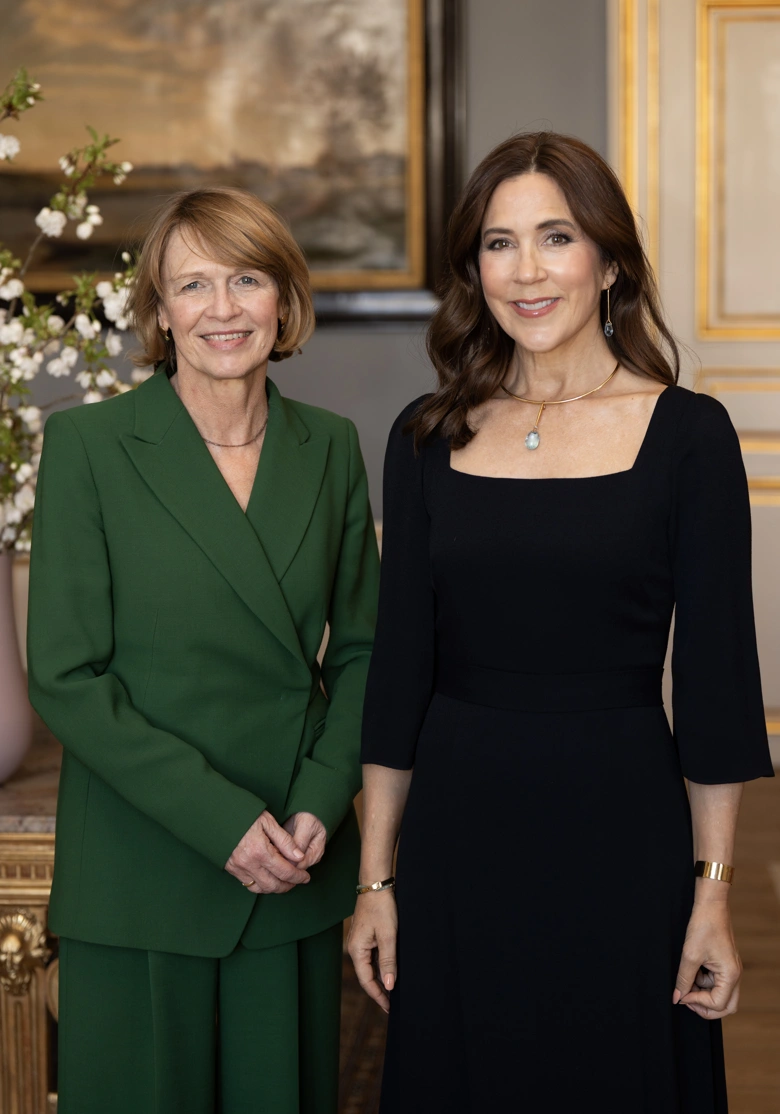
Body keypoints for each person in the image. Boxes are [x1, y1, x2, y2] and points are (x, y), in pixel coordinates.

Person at [349, 133, 773, 1113]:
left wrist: (712, 892)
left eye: (556, 237)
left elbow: (716, 687)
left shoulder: (689, 435)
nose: (527, 271)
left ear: (609, 261)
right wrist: (375, 882)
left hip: (623, 830)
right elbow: (399, 671)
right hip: (458, 838)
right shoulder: (425, 435)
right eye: (499, 243)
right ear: (474, 269)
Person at [27, 186, 380, 1114]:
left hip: (291, 862)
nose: (223, 308)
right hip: (140, 869)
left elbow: (365, 654)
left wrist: (321, 800)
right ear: (159, 312)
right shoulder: (90, 446)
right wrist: (221, 821)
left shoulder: (332, 447)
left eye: (247, 280)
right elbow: (64, 675)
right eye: (193, 285)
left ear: (284, 301)